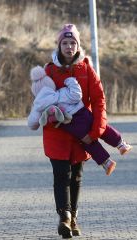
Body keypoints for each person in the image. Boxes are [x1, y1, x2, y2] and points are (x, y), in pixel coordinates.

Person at [28, 23, 115, 239]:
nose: (68, 47)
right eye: (65, 43)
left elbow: (99, 101)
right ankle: (64, 217)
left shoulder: (87, 69)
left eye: (72, 43)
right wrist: (46, 115)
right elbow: (39, 99)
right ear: (59, 46)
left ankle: (73, 216)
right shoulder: (48, 70)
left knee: (76, 176)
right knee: (61, 175)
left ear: (78, 46)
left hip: (81, 133)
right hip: (56, 133)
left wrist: (95, 132)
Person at [27, 65, 132, 176]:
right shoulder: (61, 93)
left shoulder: (38, 106)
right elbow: (76, 95)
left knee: (88, 143)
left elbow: (32, 123)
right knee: (104, 129)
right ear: (50, 84)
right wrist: (71, 82)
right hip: (82, 114)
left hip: (72, 125)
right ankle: (121, 145)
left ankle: (106, 163)